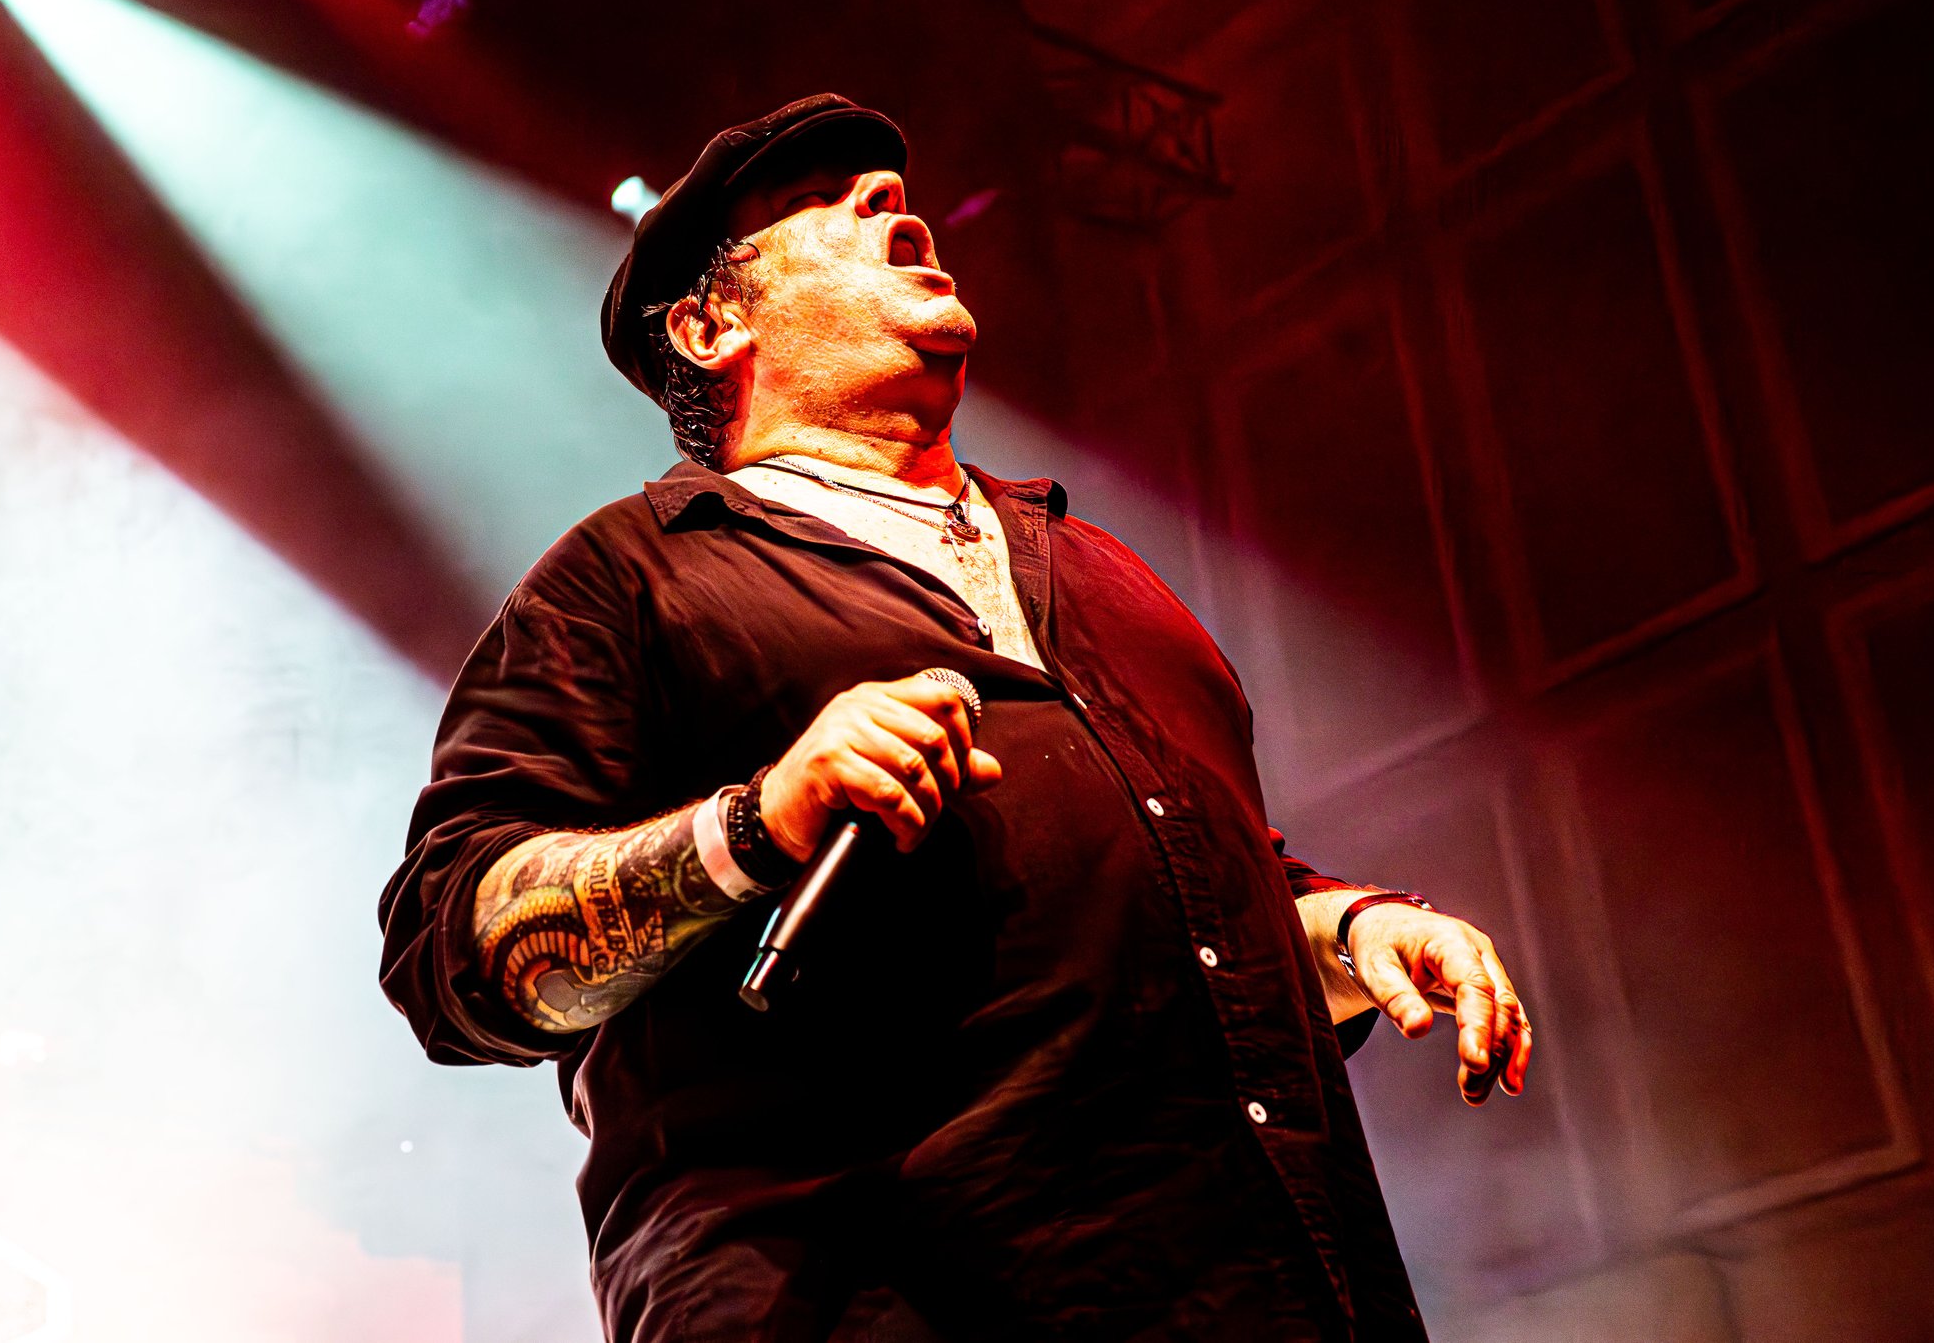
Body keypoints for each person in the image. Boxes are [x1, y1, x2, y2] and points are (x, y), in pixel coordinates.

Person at [379, 94, 1533, 1342]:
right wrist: (756, 824)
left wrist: (1347, 931)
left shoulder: (1105, 571)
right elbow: (455, 955)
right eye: (817, 200)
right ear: (711, 326)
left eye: (884, 182)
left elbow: (1167, 920)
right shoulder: (629, 577)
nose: (889, 194)